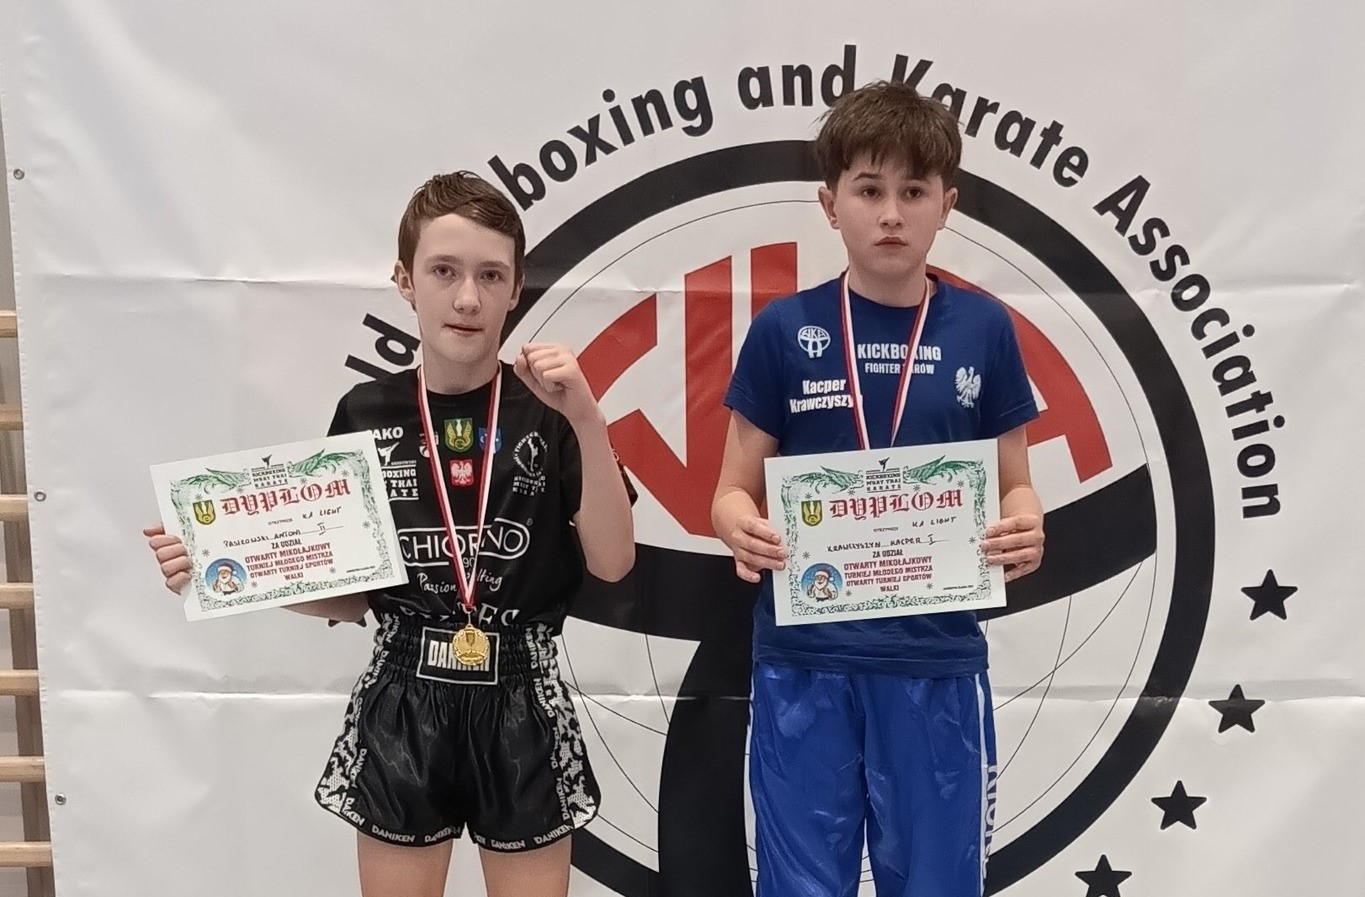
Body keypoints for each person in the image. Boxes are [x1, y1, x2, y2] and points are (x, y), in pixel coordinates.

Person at [145, 171, 636, 897]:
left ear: (515, 288)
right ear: (405, 280)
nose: (466, 298)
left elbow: (613, 560)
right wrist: (225, 564)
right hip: (406, 694)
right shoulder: (366, 411)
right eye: (444, 271)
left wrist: (588, 419)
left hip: (522, 692)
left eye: (489, 275)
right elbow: (348, 594)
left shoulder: (552, 409)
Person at [711, 81, 1044, 897]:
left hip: (934, 659)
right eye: (868, 190)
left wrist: (1025, 526)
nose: (890, 214)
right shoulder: (783, 329)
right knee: (799, 886)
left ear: (946, 205)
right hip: (804, 660)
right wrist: (739, 526)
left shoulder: (984, 329)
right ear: (830, 205)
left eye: (913, 192)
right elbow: (729, 492)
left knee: (935, 884)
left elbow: (1017, 487)